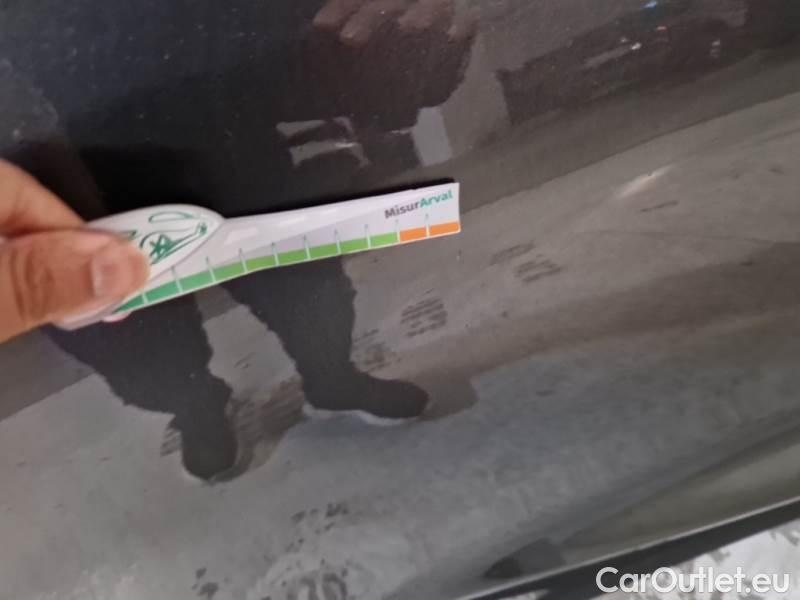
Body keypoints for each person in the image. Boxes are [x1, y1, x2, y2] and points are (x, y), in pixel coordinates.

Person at [0, 0, 475, 480]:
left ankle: (332, 380)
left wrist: (379, 66)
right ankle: (197, 409)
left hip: (212, 109)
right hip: (56, 160)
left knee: (302, 278)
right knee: (132, 336)